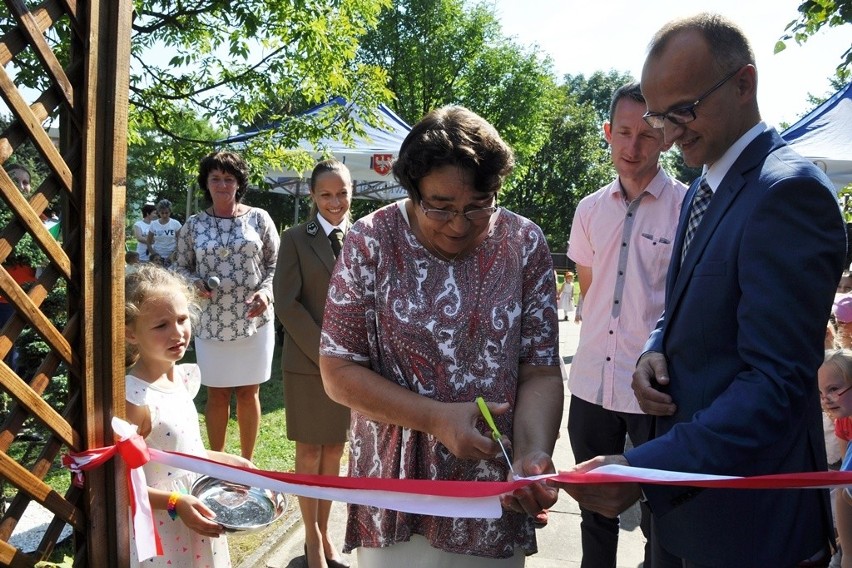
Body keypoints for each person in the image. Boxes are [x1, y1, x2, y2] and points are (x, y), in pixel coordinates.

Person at [558, 13, 847, 567]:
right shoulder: (701, 191)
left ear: (745, 83)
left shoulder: (787, 194)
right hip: (687, 518)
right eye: (658, 115)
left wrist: (646, 471)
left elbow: (777, 384)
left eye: (682, 111)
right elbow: (684, 309)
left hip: (749, 530)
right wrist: (653, 349)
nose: (667, 132)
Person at [318, 106, 564, 567]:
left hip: (494, 487)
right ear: (411, 192)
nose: (459, 223)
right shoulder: (371, 241)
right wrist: (435, 418)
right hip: (397, 490)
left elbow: (541, 371)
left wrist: (533, 455)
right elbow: (338, 371)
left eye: (478, 206)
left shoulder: (523, 244)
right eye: (441, 207)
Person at [565, 81, 686, 568]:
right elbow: (591, 291)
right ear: (607, 132)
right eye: (623, 132)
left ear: (664, 138)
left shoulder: (688, 208)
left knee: (663, 510)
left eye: (646, 134)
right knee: (594, 510)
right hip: (593, 384)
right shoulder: (589, 210)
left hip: (654, 389)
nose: (633, 147)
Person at [124, 264, 252, 567]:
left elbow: (180, 454)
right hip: (164, 530)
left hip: (197, 514)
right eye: (161, 326)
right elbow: (123, 484)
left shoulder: (180, 379)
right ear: (131, 333)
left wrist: (228, 462)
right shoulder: (135, 399)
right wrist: (174, 502)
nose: (178, 332)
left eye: (182, 319)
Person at [273, 159, 353, 568]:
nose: (334, 202)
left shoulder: (361, 237)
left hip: (351, 368)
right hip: (308, 363)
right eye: (326, 194)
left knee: (335, 451)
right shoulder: (295, 238)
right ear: (312, 196)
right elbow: (286, 302)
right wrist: (326, 351)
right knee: (309, 451)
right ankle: (311, 538)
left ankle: (323, 531)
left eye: (341, 192)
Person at [174, 150, 279, 461]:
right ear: (206, 183)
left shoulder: (259, 218)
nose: (222, 185)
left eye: (228, 179)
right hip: (211, 323)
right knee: (217, 394)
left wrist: (266, 293)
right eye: (215, 178)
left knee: (249, 393)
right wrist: (193, 283)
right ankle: (219, 465)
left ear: (239, 183)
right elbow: (178, 266)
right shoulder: (193, 225)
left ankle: (246, 463)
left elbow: (277, 264)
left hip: (254, 321)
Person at [819, 349, 852, 568]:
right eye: (821, 393)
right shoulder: (843, 421)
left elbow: (845, 497)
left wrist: (848, 553)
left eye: (834, 389)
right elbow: (844, 479)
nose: (826, 400)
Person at [147, 199, 181, 266]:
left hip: (172, 257)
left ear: (170, 212)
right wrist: (154, 255)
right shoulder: (154, 224)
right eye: (162, 213)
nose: (164, 215)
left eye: (166, 213)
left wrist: (173, 254)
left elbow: (180, 241)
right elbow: (148, 242)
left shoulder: (176, 224)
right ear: (158, 212)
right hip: (158, 258)